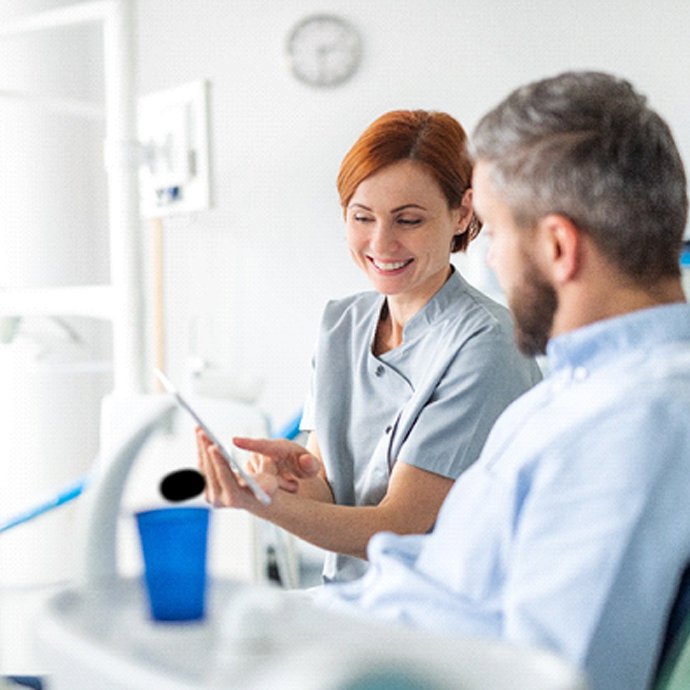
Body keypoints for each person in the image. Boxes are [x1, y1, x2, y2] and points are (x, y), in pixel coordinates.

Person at [309, 71, 690, 690]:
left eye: (497, 231)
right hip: (366, 633)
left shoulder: (636, 422)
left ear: (558, 248)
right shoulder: (575, 391)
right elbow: (441, 576)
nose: (490, 257)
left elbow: (555, 675)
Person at [197, 109, 541, 583]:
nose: (382, 243)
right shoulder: (342, 323)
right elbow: (331, 496)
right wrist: (292, 480)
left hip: (442, 620)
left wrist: (265, 505)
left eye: (409, 220)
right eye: (363, 217)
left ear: (462, 213)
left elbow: (396, 528)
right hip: (353, 604)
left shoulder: (486, 342)